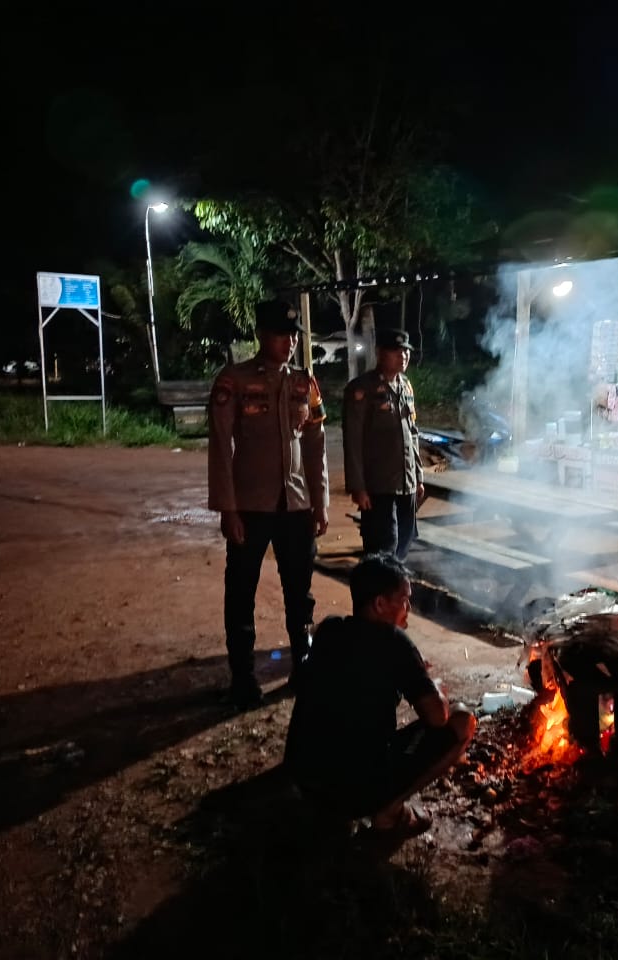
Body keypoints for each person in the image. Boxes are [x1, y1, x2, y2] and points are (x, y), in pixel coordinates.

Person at [284, 553, 476, 840]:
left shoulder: (330, 629)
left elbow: (321, 680)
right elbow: (438, 716)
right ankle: (389, 811)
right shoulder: (394, 643)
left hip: (302, 778)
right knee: (462, 719)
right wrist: (432, 683)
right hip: (352, 792)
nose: (408, 607)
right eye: (404, 599)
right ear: (379, 603)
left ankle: (328, 804)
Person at [208, 299, 330, 709]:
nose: (290, 342)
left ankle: (304, 666)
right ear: (261, 335)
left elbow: (315, 446)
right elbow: (221, 448)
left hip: (295, 506)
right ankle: (243, 678)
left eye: (294, 335)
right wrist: (228, 508)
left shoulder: (304, 383)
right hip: (251, 506)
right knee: (240, 592)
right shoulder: (234, 381)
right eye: (282, 335)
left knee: (301, 592)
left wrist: (321, 502)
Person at [342, 328, 425, 560]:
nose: (403, 356)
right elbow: (353, 441)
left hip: (406, 482)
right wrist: (358, 487)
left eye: (406, 352)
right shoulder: (362, 389)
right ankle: (377, 594)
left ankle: (395, 592)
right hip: (378, 485)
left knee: (405, 540)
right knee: (383, 545)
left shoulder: (405, 386)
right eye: (396, 352)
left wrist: (418, 477)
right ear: (380, 354)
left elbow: (413, 434)